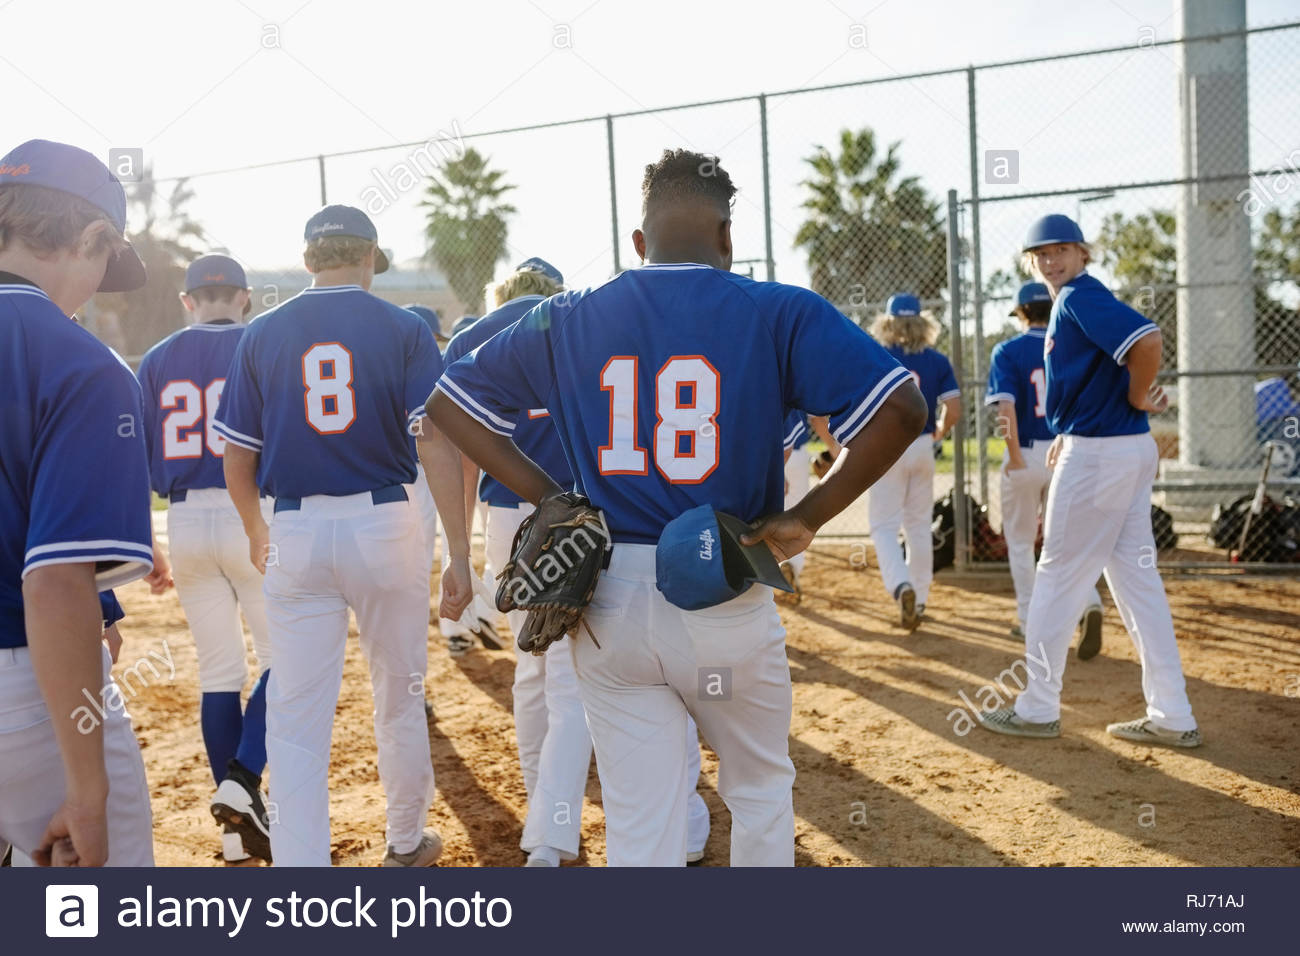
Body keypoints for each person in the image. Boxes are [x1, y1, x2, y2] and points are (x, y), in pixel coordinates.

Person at [430, 148, 927, 865]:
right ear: (728, 237)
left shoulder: (569, 314)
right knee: (757, 792)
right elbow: (903, 409)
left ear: (639, 242)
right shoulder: (777, 307)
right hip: (721, 579)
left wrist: (551, 496)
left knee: (642, 821)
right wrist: (810, 515)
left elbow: (450, 402)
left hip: (606, 592)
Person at [213, 204, 474, 866]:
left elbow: (237, 455)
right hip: (385, 522)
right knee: (400, 693)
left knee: (297, 718)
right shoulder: (402, 327)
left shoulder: (263, 332)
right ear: (367, 259)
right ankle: (406, 841)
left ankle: (304, 869)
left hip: (294, 525)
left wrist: (253, 529)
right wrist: (460, 553)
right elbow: (435, 439)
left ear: (308, 260)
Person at [978, 214, 1201, 748]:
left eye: (1061, 251)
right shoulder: (1074, 301)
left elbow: (1146, 340)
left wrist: (1134, 393)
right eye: (1041, 254)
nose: (1051, 262)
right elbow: (1116, 364)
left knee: (1055, 577)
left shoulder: (1078, 296)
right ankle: (1173, 714)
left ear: (1082, 254)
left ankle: (1036, 708)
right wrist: (1083, 420)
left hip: (1101, 455)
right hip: (1119, 448)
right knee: (1136, 582)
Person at [0, 139, 161, 866]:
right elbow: (55, 580)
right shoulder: (79, 361)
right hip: (22, 694)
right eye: (103, 261)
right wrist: (86, 791)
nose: (95, 286)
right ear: (93, 238)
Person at [136, 253, 275, 863]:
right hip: (255, 512)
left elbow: (135, 458)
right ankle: (243, 782)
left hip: (184, 515)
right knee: (286, 660)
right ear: (243, 297)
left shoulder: (158, 358)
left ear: (189, 300)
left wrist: (151, 539)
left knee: (219, 672)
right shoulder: (263, 342)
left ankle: (231, 832)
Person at [986, 281, 1103, 656]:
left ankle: (1028, 621)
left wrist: (1015, 456)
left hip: (1025, 452)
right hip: (1067, 451)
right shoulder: (1066, 345)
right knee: (1066, 540)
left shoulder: (1008, 350)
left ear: (1022, 313)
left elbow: (1005, 410)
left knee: (1020, 543)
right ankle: (1090, 603)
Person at [867, 294, 961, 629]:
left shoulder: (876, 355)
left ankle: (900, 585)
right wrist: (938, 431)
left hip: (887, 446)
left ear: (887, 322)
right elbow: (954, 409)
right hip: (922, 445)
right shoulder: (936, 360)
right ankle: (919, 599)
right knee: (919, 526)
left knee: (883, 526)